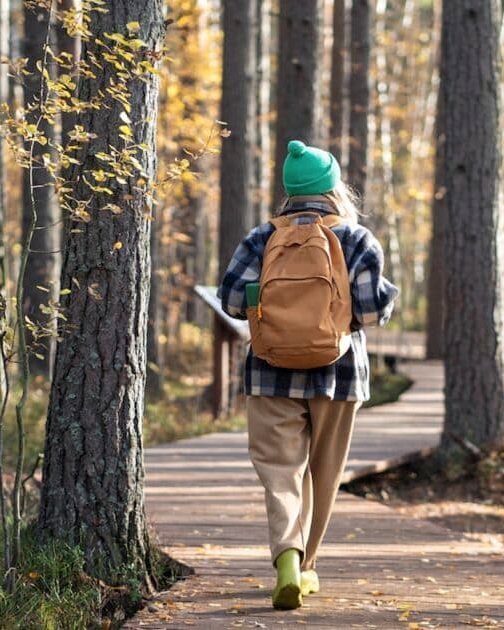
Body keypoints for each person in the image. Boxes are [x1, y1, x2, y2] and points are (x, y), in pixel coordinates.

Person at [218, 140, 399, 610]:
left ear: (289, 191)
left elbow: (234, 302)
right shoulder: (356, 238)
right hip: (338, 375)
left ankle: (286, 560)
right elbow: (372, 312)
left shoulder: (261, 238)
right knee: (324, 473)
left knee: (280, 472)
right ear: (334, 188)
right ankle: (309, 565)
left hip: (269, 371)